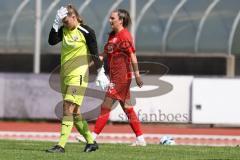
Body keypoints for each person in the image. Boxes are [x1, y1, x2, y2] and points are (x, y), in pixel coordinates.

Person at [46, 4, 103, 153]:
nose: (65, 24)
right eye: (62, 22)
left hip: (78, 76)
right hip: (64, 75)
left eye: (66, 21)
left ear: (74, 17)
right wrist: (55, 23)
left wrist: (100, 72)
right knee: (75, 112)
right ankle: (91, 142)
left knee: (67, 107)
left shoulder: (87, 31)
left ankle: (61, 145)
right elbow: (51, 41)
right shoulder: (63, 30)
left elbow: (95, 55)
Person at [93, 9, 146, 146]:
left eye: (112, 18)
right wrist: (87, 64)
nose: (109, 20)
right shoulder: (112, 36)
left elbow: (133, 55)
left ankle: (91, 137)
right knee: (127, 107)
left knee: (106, 105)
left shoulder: (125, 36)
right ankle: (140, 139)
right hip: (115, 77)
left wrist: (138, 75)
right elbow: (102, 55)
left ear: (121, 20)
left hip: (121, 78)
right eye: (110, 18)